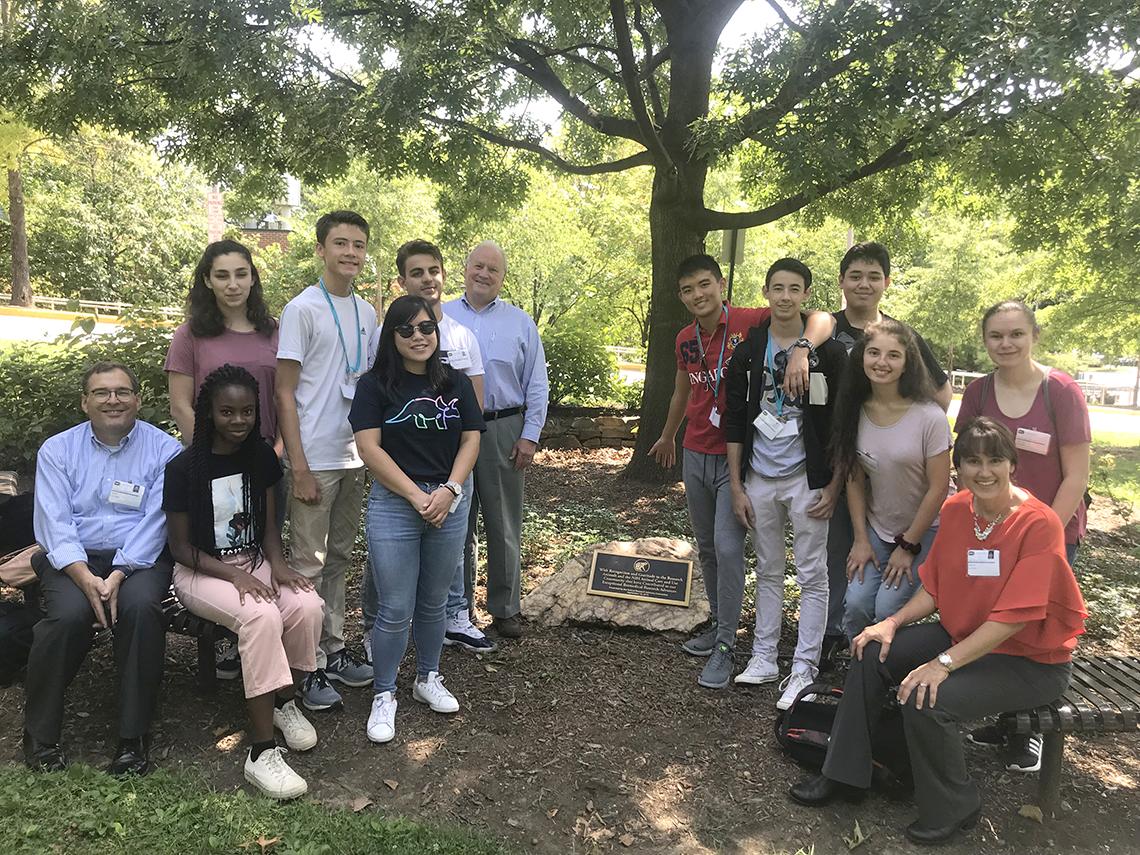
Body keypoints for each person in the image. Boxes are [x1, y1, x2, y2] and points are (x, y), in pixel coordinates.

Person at [790, 418, 1086, 846]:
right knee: (871, 653)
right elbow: (935, 587)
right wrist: (889, 623)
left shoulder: (1037, 525)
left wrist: (941, 664)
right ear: (958, 468)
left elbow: (1014, 619)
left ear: (1013, 465)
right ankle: (845, 774)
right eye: (972, 462)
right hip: (964, 636)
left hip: (1030, 660)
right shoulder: (957, 509)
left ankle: (955, 803)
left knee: (929, 697)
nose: (984, 472)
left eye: (995, 461)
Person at [648, 253, 835, 675]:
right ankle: (718, 625)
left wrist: (803, 349)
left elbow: (821, 318)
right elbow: (683, 393)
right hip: (695, 452)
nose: (698, 294)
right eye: (688, 289)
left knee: (731, 549)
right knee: (709, 549)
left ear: (721, 285)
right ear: (680, 296)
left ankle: (729, 644)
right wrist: (667, 435)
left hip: (738, 457)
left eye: (704, 284)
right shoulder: (684, 338)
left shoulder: (751, 321)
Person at [163, 365, 324, 800]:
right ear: (208, 412)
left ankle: (284, 704)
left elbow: (269, 526)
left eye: (248, 412)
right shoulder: (184, 468)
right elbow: (179, 548)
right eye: (227, 412)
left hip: (255, 560)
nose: (239, 420)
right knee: (260, 615)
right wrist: (234, 574)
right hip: (201, 571)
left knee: (306, 605)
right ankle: (260, 752)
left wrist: (280, 565)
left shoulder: (261, 458)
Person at [24, 361, 181, 774]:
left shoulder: (165, 450)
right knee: (66, 616)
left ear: (138, 400)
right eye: (101, 393)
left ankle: (133, 738)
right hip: (73, 558)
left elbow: (158, 519)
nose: (113, 400)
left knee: (140, 610)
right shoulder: (58, 451)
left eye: (122, 391)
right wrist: (84, 576)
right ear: (84, 402)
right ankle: (41, 734)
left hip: (140, 557)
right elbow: (53, 523)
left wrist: (117, 574)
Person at [955, 300, 1091, 772]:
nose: (1006, 344)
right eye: (996, 335)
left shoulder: (1061, 391)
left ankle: (1029, 730)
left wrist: (1042, 535)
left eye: (1016, 334)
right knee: (994, 616)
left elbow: (1075, 475)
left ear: (1034, 335)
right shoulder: (977, 393)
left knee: (1034, 625)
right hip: (990, 530)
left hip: (1050, 531)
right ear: (985, 340)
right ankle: (1005, 718)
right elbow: (965, 462)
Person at [349, 295, 483, 744]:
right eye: (406, 330)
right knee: (394, 607)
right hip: (395, 503)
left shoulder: (456, 382)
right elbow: (369, 448)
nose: (418, 337)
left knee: (435, 602)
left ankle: (428, 677)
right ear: (392, 336)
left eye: (426, 328)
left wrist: (449, 490)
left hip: (449, 499)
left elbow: (470, 440)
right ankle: (384, 694)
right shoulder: (374, 386)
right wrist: (414, 495)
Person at [724, 258, 847, 707]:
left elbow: (838, 423)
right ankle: (763, 657)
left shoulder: (824, 351)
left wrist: (833, 485)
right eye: (777, 287)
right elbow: (735, 420)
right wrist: (737, 484)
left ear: (806, 295)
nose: (785, 296)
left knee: (813, 574)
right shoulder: (749, 349)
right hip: (760, 475)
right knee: (770, 568)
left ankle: (803, 669)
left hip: (807, 479)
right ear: (765, 292)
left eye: (795, 288)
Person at [362, 239, 493, 657]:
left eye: (432, 271)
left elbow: (472, 412)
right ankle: (375, 627)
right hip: (400, 479)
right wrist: (416, 490)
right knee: (388, 562)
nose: (426, 279)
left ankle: (454, 618)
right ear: (402, 280)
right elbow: (376, 410)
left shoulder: (461, 335)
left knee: (453, 550)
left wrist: (453, 483)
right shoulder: (386, 336)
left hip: (452, 470)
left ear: (443, 274)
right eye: (416, 273)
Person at [823, 242, 952, 662]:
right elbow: (856, 474)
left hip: (920, 529)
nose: (882, 361)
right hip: (876, 526)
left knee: (884, 608)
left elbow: (938, 488)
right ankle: (857, 668)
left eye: (893, 356)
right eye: (874, 354)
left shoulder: (928, 415)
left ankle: (887, 674)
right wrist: (862, 539)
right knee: (857, 602)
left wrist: (909, 546)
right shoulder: (855, 409)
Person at [165, 238, 281, 681]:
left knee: (260, 546)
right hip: (211, 463)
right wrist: (208, 458)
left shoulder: (273, 329)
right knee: (219, 548)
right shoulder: (192, 333)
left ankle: (268, 650)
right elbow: (180, 403)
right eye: (222, 275)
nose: (233, 284)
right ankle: (232, 643)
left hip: (266, 458)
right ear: (207, 281)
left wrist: (277, 453)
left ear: (253, 277)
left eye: (241, 273)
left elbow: (284, 396)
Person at [276, 210, 378, 711]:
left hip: (355, 455)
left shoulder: (367, 312)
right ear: (321, 249)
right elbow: (284, 391)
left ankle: (333, 650)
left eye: (358, 245)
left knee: (338, 559)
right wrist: (296, 464)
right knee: (306, 564)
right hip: (313, 457)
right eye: (341, 244)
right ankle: (305, 666)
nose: (350, 253)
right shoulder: (303, 309)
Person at [443, 241, 548, 639]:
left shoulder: (521, 323)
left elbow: (536, 383)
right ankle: (458, 608)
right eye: (478, 266)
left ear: (503, 278)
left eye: (493, 270)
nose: (484, 274)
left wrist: (530, 436)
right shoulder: (441, 316)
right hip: (451, 429)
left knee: (503, 522)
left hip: (504, 428)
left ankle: (505, 608)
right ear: (465, 268)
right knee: (456, 522)